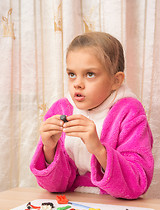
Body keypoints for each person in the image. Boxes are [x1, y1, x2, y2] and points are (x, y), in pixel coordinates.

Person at [30, 32, 154, 199]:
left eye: (90, 74)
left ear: (116, 81)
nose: (77, 84)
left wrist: (98, 149)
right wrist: (49, 149)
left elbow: (137, 184)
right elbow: (55, 187)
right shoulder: (60, 109)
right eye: (72, 74)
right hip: (72, 204)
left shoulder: (129, 112)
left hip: (117, 207)